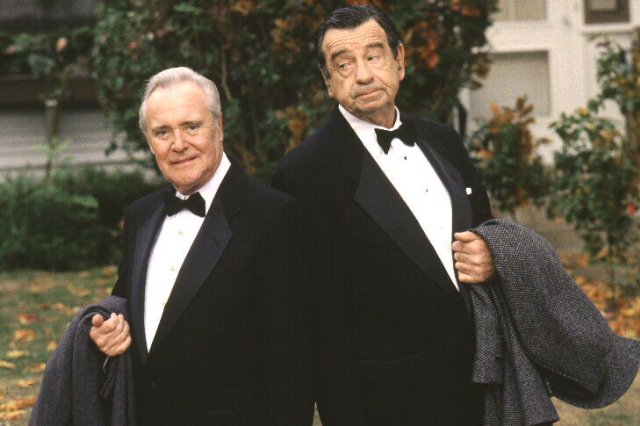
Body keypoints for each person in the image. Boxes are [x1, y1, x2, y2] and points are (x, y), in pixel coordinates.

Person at [272, 6, 495, 425]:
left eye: (373, 56)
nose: (363, 75)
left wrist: (491, 256)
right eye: (344, 64)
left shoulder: (444, 140)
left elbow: (485, 230)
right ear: (328, 81)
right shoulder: (303, 174)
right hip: (389, 403)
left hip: (481, 385)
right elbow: (318, 318)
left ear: (400, 61)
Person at [89, 66, 314, 426]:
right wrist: (111, 330)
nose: (178, 144)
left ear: (219, 127)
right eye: (162, 132)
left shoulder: (273, 216)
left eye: (191, 126)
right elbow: (129, 309)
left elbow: (292, 366)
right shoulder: (140, 215)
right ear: (149, 141)